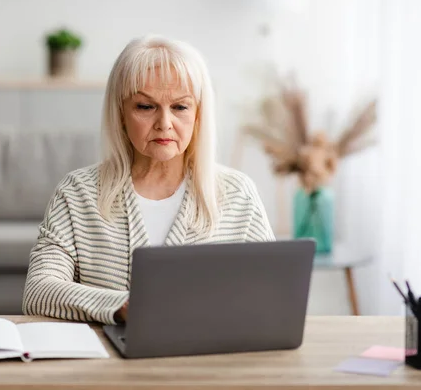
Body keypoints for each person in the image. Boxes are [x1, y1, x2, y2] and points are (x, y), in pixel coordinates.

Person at [22, 34, 275, 324]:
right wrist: (123, 306)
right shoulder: (78, 193)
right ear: (120, 113)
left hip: (207, 362)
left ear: (198, 115)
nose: (164, 123)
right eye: (146, 107)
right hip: (106, 365)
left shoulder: (237, 193)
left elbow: (271, 293)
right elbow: (38, 290)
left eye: (180, 107)